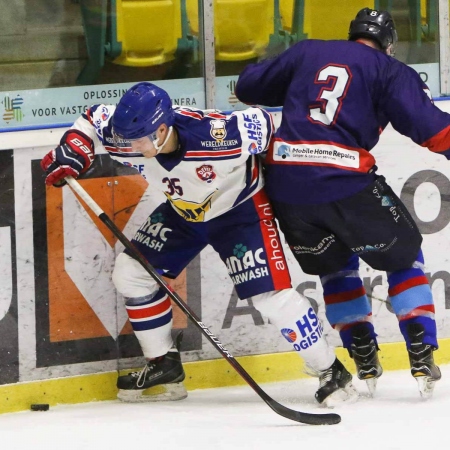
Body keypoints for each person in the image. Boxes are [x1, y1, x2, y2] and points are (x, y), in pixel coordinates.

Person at [40, 82, 359, 406]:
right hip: (184, 212)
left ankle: (331, 370)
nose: (131, 146)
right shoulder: (129, 134)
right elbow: (93, 119)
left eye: (139, 140)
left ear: (163, 129)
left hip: (240, 213)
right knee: (130, 273)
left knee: (272, 298)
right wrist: (74, 146)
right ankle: (163, 365)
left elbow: (270, 125)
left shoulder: (218, 136)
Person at [234, 7, 446, 398]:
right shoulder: (389, 69)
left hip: (286, 186)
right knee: (404, 257)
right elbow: (433, 129)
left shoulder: (307, 51)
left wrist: (288, 76)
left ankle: (363, 356)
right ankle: (420, 349)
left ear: (352, 34)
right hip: (345, 181)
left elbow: (248, 88)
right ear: (389, 44)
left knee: (335, 271)